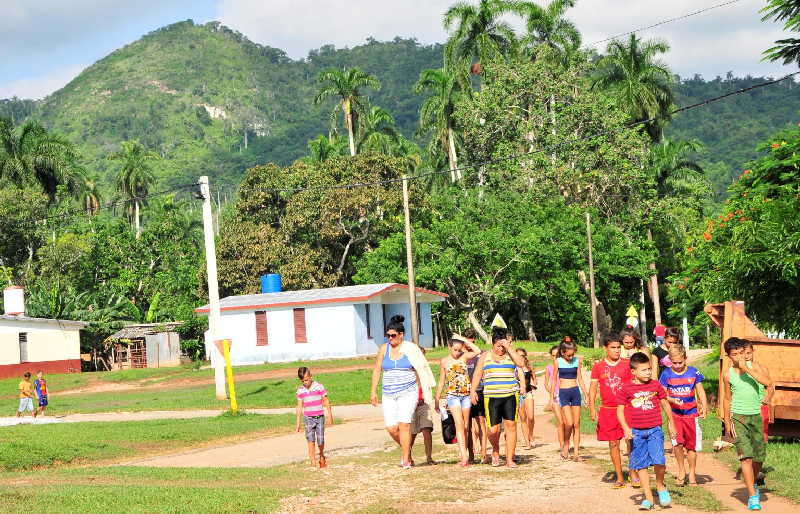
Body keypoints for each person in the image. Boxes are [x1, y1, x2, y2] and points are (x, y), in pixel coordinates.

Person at [370, 315, 436, 469]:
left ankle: (405, 459)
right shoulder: (383, 349)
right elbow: (377, 369)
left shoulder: (410, 348)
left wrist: (425, 391)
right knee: (391, 427)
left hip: (408, 392)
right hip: (388, 393)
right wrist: (373, 391)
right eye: (388, 335)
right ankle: (408, 450)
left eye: (393, 335)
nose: (390, 338)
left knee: (404, 424)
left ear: (401, 335)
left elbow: (422, 369)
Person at [617, 352, 677, 510]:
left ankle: (660, 486)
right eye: (644, 370)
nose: (648, 372)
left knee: (659, 461)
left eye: (650, 369)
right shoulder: (626, 388)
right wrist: (625, 428)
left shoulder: (655, 385)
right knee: (641, 465)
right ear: (633, 372)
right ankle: (648, 498)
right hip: (636, 433)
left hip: (654, 430)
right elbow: (620, 411)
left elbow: (665, 404)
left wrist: (672, 423)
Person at [721, 337, 772, 511]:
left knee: (759, 458)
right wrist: (727, 422)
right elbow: (727, 399)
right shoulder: (727, 374)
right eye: (734, 355)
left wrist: (746, 369)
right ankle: (752, 495)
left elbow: (768, 383)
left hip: (756, 416)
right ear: (729, 356)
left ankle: (752, 481)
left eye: (741, 353)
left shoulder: (754, 367)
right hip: (738, 418)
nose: (738, 357)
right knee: (746, 456)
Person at [470, 327, 526, 468]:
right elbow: (477, 374)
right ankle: (495, 449)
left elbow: (521, 363)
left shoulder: (511, 355)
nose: (501, 349)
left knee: (511, 426)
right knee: (493, 430)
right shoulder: (485, 356)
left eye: (503, 346)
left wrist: (509, 347)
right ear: (492, 344)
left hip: (510, 395)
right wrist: (472, 391)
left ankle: (509, 459)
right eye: (498, 346)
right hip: (492, 397)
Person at [659, 344, 707, 487]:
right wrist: (673, 400)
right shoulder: (666, 374)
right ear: (670, 361)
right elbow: (662, 395)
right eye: (674, 363)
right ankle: (681, 471)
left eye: (680, 362)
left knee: (691, 446)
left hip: (691, 415)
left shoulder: (694, 372)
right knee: (678, 444)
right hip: (674, 416)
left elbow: (701, 391)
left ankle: (692, 473)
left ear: (685, 359)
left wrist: (704, 406)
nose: (678, 366)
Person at [589, 332, 632, 488]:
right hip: (608, 411)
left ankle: (634, 473)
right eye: (613, 347)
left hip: (626, 409)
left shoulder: (627, 364)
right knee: (613, 443)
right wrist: (592, 408)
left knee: (630, 441)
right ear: (605, 348)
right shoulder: (598, 367)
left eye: (618, 347)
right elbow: (593, 388)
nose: (616, 350)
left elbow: (634, 385)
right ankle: (620, 477)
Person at [435, 336, 480, 466]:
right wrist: (437, 398)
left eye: (459, 350)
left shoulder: (464, 357)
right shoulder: (444, 361)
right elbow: (442, 381)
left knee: (465, 426)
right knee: (459, 425)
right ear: (449, 347)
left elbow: (477, 351)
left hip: (466, 395)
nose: (457, 352)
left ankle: (466, 453)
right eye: (455, 350)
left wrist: (462, 339)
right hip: (452, 396)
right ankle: (464, 457)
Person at [554, 337, 588, 461]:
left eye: (572, 354)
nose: (570, 357)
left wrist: (586, 394)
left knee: (576, 423)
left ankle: (576, 453)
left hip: (575, 392)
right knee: (568, 423)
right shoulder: (558, 361)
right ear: (563, 353)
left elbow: (580, 378)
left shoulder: (576, 361)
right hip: (563, 392)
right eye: (568, 355)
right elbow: (554, 380)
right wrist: (552, 394)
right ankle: (566, 445)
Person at [296, 367, 334, 468]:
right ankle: (312, 461)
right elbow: (299, 406)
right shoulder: (300, 390)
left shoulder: (319, 386)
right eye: (303, 381)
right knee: (310, 440)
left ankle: (321, 455)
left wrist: (330, 415)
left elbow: (326, 401)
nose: (305, 382)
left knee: (320, 440)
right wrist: (298, 422)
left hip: (320, 417)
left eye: (307, 380)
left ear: (311, 376)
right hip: (308, 418)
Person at [463, 328, 489, 464]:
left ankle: (484, 452)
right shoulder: (460, 355)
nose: (468, 345)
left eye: (470, 341)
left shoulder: (480, 355)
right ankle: (471, 455)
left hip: (479, 391)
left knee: (481, 422)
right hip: (463, 392)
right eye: (466, 341)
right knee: (467, 425)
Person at [544, 345, 565, 453]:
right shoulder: (549, 368)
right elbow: (546, 383)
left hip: (566, 395)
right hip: (556, 397)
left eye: (557, 355)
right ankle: (562, 446)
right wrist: (552, 394)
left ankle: (567, 442)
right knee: (560, 422)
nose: (555, 357)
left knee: (568, 422)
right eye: (553, 356)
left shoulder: (565, 366)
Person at [516, 348, 537, 450]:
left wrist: (534, 384)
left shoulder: (528, 366)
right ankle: (527, 442)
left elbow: (534, 379)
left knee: (531, 417)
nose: (521, 357)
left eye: (523, 355)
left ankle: (531, 435)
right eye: (519, 355)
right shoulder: (514, 367)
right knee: (523, 418)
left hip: (528, 393)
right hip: (518, 394)